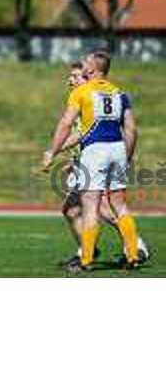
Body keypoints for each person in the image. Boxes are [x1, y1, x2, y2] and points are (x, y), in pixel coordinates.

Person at [43, 51, 141, 272]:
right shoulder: (120, 93)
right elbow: (131, 129)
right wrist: (126, 156)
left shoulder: (82, 91)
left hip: (95, 149)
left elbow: (66, 124)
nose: (84, 65)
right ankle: (133, 254)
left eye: (87, 62)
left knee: (90, 206)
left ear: (93, 69)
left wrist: (53, 150)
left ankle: (86, 260)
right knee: (119, 204)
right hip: (117, 147)